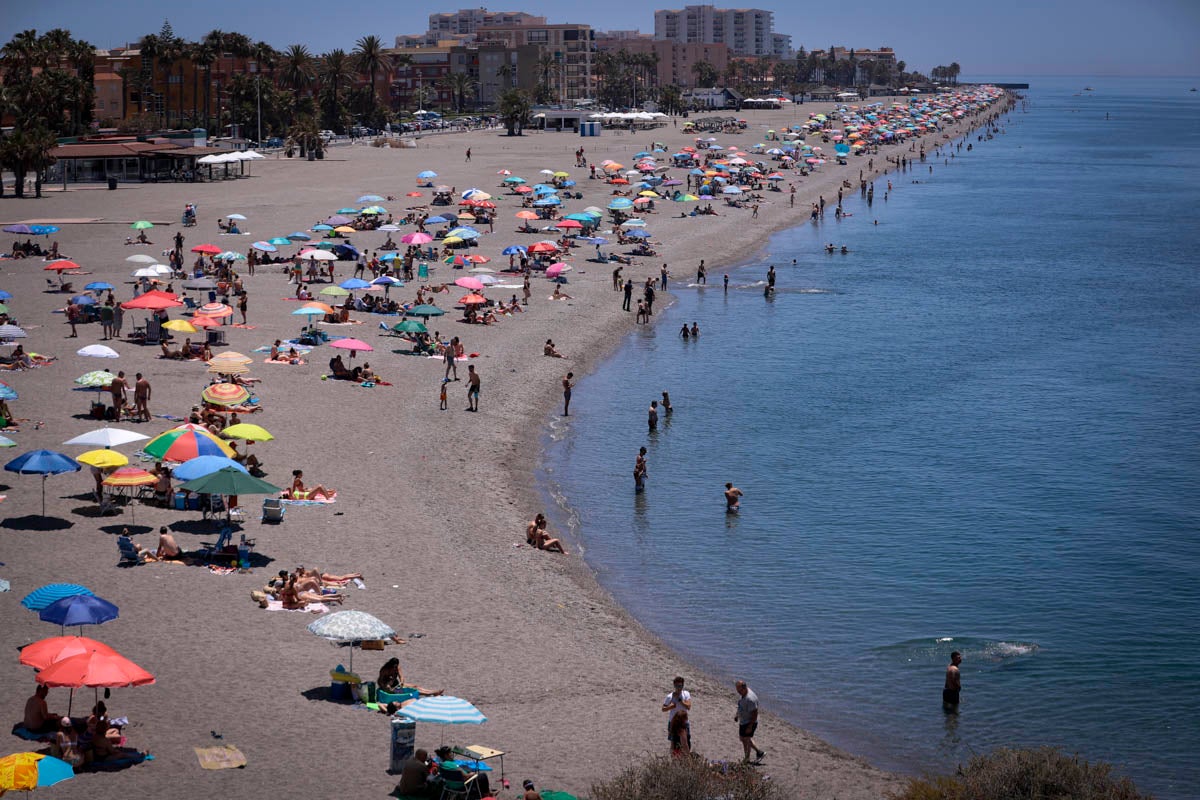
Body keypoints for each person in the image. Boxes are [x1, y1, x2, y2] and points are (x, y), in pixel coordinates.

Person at [735, 680, 764, 762]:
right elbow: (740, 705)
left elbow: (755, 714)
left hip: (749, 722)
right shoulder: (743, 694)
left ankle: (747, 759)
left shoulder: (750, 699)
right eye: (737, 691)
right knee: (743, 739)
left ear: (744, 688)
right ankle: (759, 752)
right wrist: (737, 715)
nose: (738, 693)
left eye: (739, 691)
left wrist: (750, 726)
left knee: (746, 740)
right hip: (743, 721)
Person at [662, 676, 692, 741]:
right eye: (677, 686)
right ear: (674, 686)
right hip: (673, 721)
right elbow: (663, 709)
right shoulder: (669, 696)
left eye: (680, 686)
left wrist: (680, 701)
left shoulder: (686, 694)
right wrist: (671, 706)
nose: (679, 688)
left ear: (683, 685)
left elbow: (689, 706)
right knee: (673, 742)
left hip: (684, 722)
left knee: (686, 740)